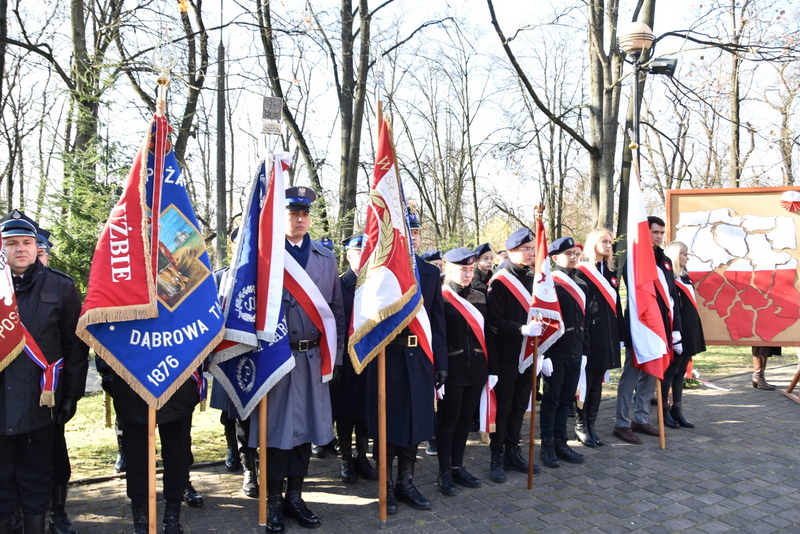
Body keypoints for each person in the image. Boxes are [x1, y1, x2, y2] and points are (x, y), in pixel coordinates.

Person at [261, 186, 345, 533]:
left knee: (306, 433)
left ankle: (295, 495)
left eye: (304, 214)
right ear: (282, 217)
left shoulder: (326, 258)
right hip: (277, 361)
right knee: (277, 435)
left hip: (312, 359)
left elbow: (337, 310)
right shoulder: (266, 257)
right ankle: (272, 501)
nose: (299, 219)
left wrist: (335, 358)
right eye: (293, 213)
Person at [0, 214, 88, 534]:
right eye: (11, 243)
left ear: (37, 247)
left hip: (41, 404)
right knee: (2, 483)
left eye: (27, 243)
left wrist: (71, 396)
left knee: (37, 480)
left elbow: (75, 347)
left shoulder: (60, 286)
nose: (20, 249)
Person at [365, 208, 447, 513]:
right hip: (386, 356)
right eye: (406, 232)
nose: (411, 238)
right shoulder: (378, 270)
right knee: (386, 422)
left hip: (419, 357)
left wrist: (441, 363)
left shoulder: (429, 272)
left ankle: (406, 482)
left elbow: (437, 320)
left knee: (416, 421)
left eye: (415, 233)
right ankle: (385, 485)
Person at [100, 359, 201, 534]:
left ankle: (172, 518)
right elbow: (103, 333)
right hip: (132, 382)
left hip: (178, 379)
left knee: (177, 455)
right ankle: (141, 520)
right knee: (137, 458)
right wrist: (107, 370)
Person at [613, 216, 682, 444]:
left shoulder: (665, 260)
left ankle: (640, 419)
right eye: (655, 232)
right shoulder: (634, 259)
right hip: (640, 325)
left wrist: (676, 329)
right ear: (645, 233)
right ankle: (622, 424)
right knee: (631, 376)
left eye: (662, 233)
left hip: (661, 327)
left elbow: (672, 298)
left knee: (651, 375)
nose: (660, 237)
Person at [436, 248, 496, 495]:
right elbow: (437, 337)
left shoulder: (480, 297)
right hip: (452, 371)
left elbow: (489, 336)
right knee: (448, 423)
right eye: (462, 269)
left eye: (470, 269)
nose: (467, 274)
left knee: (463, 423)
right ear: (447, 269)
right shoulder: (440, 297)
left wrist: (493, 368)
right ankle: (443, 473)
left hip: (477, 370)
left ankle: (457, 466)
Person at [485, 228, 543, 483]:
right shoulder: (499, 282)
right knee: (504, 408)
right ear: (511, 252)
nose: (532, 253)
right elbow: (494, 321)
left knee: (520, 406)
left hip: (529, 354)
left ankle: (513, 451)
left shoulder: (534, 278)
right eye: (527, 249)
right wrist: (521, 329)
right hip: (507, 355)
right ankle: (496, 455)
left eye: (533, 248)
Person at [538, 236, 592, 468]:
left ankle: (562, 442)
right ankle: (547, 446)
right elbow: (543, 320)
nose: (573, 257)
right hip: (556, 352)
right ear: (554, 257)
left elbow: (585, 321)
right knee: (551, 400)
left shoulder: (582, 283)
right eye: (568, 253)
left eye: (575, 253)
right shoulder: (551, 283)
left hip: (575, 350)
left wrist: (585, 350)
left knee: (566, 401)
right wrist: (544, 355)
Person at [330, 232, 378, 484]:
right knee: (345, 412)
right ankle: (346, 458)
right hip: (345, 361)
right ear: (348, 255)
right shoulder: (337, 285)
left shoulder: (376, 285)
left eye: (367, 251)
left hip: (369, 357)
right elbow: (333, 327)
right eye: (358, 252)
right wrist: (335, 363)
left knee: (365, 411)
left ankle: (362, 456)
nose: (363, 256)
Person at [573, 228, 622, 447]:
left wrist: (620, 334)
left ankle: (591, 424)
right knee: (587, 381)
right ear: (593, 244)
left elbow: (617, 307)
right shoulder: (582, 271)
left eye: (610, 242)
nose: (609, 245)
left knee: (598, 383)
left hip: (608, 335)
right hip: (590, 334)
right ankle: (581, 425)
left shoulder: (611, 273)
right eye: (604, 241)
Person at [662, 241, 706, 428]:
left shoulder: (685, 277)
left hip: (690, 328)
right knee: (671, 371)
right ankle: (663, 411)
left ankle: (677, 409)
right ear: (675, 256)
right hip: (678, 330)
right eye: (684, 254)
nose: (687, 258)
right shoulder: (669, 279)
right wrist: (675, 332)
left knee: (681, 371)